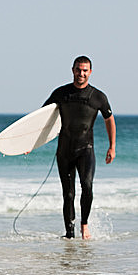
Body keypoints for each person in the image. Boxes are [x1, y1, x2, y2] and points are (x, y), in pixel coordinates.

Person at [44, 56, 116, 239]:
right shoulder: (61, 93)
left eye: (85, 70)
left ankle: (84, 225)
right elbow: (42, 118)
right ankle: (69, 234)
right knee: (68, 194)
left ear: (90, 72)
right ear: (72, 70)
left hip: (86, 149)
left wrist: (112, 146)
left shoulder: (98, 97)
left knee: (87, 186)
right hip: (64, 151)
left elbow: (109, 120)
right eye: (78, 69)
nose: (81, 73)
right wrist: (29, 142)